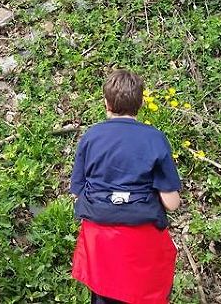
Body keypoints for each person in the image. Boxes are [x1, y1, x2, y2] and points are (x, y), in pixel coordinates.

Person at [70, 69, 182, 304]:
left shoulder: (91, 136)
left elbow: (78, 191)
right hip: (139, 238)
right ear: (140, 103)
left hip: (99, 237)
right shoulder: (155, 138)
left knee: (103, 296)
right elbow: (171, 203)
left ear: (106, 103)